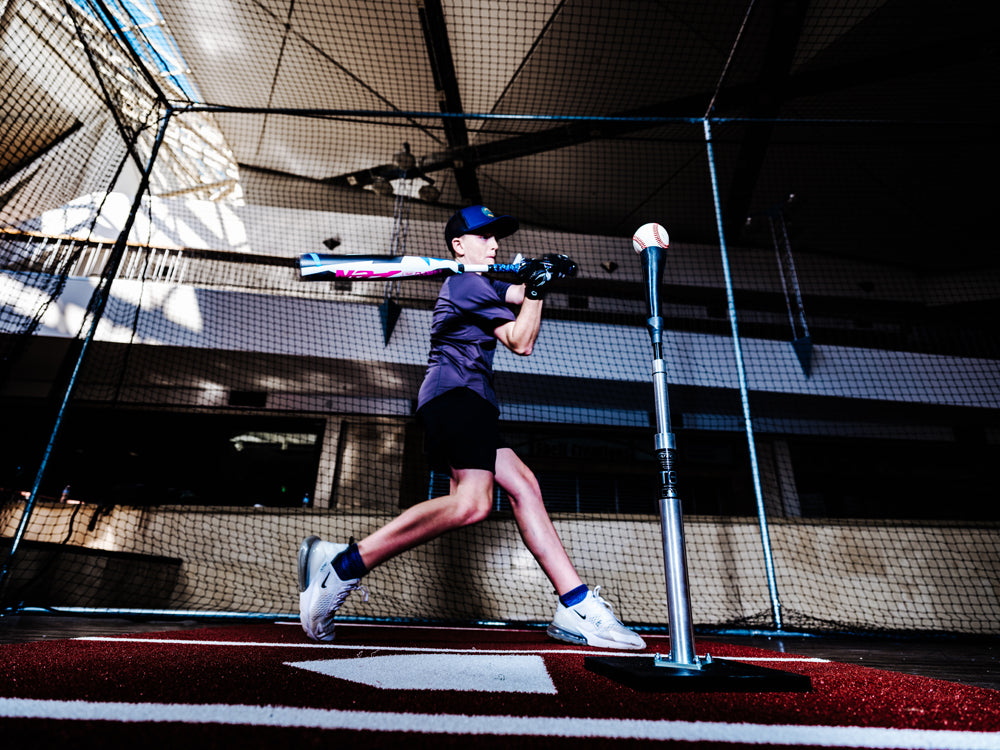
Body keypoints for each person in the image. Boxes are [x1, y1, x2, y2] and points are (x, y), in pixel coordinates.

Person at [298, 205, 645, 650]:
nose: (494, 244)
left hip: (469, 401)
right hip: (456, 397)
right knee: (470, 505)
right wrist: (534, 288)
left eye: (495, 237)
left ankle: (575, 605)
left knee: (524, 485)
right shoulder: (464, 283)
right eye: (484, 237)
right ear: (459, 246)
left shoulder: (483, 284)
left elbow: (517, 294)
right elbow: (521, 341)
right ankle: (342, 564)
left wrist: (538, 275)